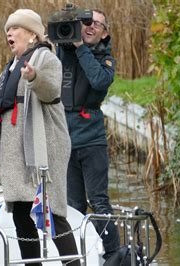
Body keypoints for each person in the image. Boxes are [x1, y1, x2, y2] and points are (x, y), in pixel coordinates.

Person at [0, 9, 79, 266]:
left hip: (42, 151)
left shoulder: (46, 58)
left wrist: (35, 77)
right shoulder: (9, 67)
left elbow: (51, 90)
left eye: (15, 28)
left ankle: (74, 263)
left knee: (53, 213)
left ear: (32, 34)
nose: (9, 32)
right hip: (15, 153)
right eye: (8, 29)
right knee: (21, 215)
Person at [56, 9, 120, 262]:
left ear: (105, 33)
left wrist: (82, 47)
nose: (90, 26)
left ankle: (115, 254)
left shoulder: (106, 60)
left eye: (97, 24)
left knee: (99, 201)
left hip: (91, 139)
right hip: (65, 139)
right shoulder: (65, 51)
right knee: (73, 205)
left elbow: (98, 81)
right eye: (86, 22)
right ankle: (78, 257)